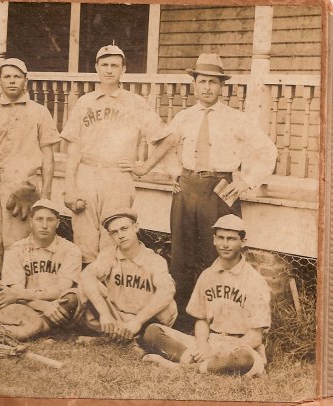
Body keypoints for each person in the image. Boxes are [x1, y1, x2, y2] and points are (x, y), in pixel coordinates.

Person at [130, 53, 278, 329]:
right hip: (186, 189)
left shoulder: (236, 118)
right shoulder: (184, 117)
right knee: (181, 255)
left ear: (222, 87)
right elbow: (167, 145)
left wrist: (247, 180)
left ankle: (218, 323)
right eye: (202, 81)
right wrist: (172, 172)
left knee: (219, 254)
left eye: (213, 82)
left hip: (219, 190)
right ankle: (179, 322)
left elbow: (267, 150)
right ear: (194, 85)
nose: (207, 87)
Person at [60, 45, 168, 265]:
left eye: (115, 66)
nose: (109, 70)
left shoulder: (135, 103)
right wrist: (70, 186)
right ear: (97, 68)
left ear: (123, 69)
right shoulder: (84, 102)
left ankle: (113, 296)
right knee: (84, 241)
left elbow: (167, 139)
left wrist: (143, 167)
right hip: (87, 174)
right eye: (105, 65)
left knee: (115, 239)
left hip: (118, 176)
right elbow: (73, 148)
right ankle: (88, 295)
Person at [142, 214, 271, 377]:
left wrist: (224, 351)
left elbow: (255, 336)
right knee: (152, 332)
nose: (224, 244)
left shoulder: (255, 281)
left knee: (243, 360)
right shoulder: (207, 275)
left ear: (243, 242)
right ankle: (209, 365)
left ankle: (182, 368)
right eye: (220, 238)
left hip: (240, 345)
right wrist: (203, 346)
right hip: (212, 340)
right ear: (214, 240)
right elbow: (201, 319)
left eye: (231, 239)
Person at [0, 58, 61, 265]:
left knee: (19, 246)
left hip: (23, 189)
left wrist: (45, 197)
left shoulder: (40, 112)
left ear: (25, 80)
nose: (12, 81)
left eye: (17, 77)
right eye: (7, 76)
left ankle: (17, 293)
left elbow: (47, 156)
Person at [0, 199, 82, 341]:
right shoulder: (15, 249)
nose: (45, 225)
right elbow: (14, 291)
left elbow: (61, 289)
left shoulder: (71, 250)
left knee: (73, 297)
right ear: (31, 222)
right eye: (39, 219)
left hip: (53, 306)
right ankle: (39, 330)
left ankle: (24, 329)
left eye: (50, 220)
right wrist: (43, 306)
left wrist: (43, 305)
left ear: (58, 223)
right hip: (22, 307)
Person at [79, 207, 177, 341]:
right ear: (110, 236)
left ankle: (115, 337)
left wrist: (138, 321)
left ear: (136, 227)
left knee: (168, 308)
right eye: (114, 232)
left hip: (143, 319)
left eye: (124, 229)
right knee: (86, 286)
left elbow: (167, 290)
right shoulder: (109, 254)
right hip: (116, 316)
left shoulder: (154, 260)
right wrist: (104, 313)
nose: (120, 235)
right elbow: (86, 275)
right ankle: (130, 338)